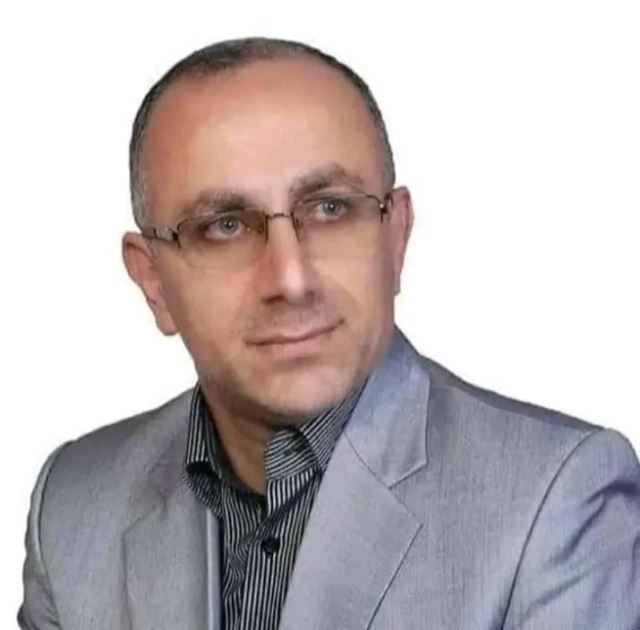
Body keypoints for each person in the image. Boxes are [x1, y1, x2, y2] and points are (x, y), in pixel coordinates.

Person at [18, 36, 640, 630]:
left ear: (395, 238)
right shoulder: (72, 503)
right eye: (225, 225)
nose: (290, 279)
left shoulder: (556, 497)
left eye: (330, 208)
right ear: (153, 280)